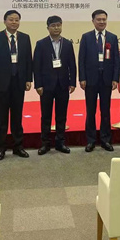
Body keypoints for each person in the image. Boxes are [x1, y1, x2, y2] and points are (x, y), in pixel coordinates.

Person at [0, 10, 33, 160]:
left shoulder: (25, 38)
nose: (14, 22)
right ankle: (1, 148)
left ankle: (18, 147)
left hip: (19, 82)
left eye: (16, 20)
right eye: (11, 19)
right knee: (1, 117)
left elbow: (28, 60)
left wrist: (28, 79)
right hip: (1, 83)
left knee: (17, 116)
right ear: (5, 21)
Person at [33, 15, 76, 155]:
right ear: (48, 28)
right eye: (53, 26)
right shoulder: (41, 44)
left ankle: (60, 142)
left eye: (58, 25)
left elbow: (72, 65)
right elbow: (36, 66)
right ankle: (45, 144)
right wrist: (38, 85)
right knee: (46, 115)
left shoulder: (67, 44)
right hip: (46, 86)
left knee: (61, 115)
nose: (56, 28)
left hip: (63, 85)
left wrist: (72, 82)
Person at [78, 9, 120, 152]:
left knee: (105, 111)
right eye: (99, 19)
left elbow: (116, 60)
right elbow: (81, 59)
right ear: (93, 21)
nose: (102, 22)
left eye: (104, 19)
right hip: (90, 80)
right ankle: (90, 141)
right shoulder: (86, 37)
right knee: (90, 111)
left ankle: (105, 140)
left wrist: (115, 78)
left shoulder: (112, 38)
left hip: (106, 80)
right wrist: (82, 78)